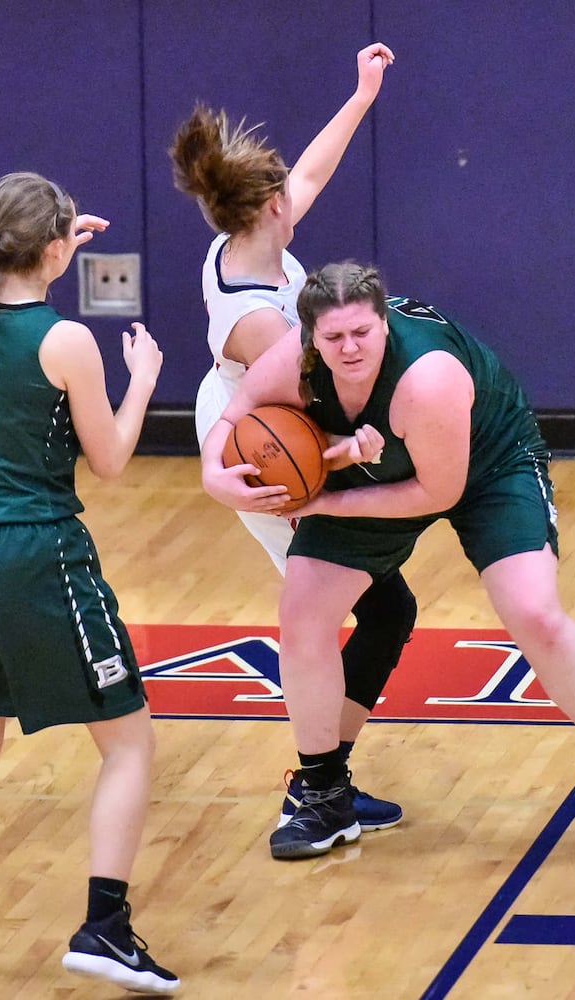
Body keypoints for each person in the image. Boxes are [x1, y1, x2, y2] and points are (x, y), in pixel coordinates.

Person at [201, 260, 575, 859]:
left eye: (363, 332)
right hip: (382, 462)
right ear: (309, 338)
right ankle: (323, 794)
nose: (350, 348)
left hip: (489, 459)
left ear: (384, 322)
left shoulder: (426, 377)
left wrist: (328, 497)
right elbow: (230, 420)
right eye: (333, 338)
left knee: (533, 612)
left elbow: (437, 492)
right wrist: (215, 477)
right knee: (303, 613)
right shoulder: (292, 362)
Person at [0, 172, 179, 994]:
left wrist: (47, 249)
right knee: (128, 741)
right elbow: (111, 460)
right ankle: (105, 928)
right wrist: (145, 376)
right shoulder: (68, 342)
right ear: (50, 249)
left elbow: (6, 279)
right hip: (37, 550)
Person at [169, 43, 418, 846]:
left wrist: (360, 94)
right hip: (262, 451)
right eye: (285, 193)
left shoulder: (239, 244)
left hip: (265, 418)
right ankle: (316, 791)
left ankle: (325, 784)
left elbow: (308, 174)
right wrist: (350, 454)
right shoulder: (259, 321)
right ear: (267, 206)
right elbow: (305, 420)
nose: (295, 196)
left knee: (387, 606)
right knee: (370, 608)